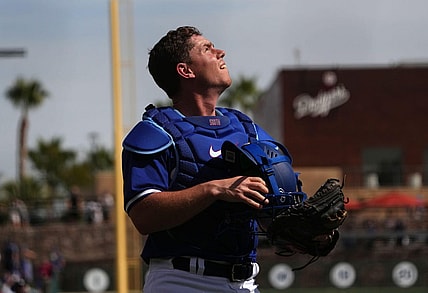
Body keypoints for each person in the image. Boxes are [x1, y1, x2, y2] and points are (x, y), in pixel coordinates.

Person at [122, 26, 300, 292]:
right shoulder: (155, 132)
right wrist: (213, 189)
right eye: (207, 48)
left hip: (245, 282)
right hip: (181, 280)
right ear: (186, 70)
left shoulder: (246, 129)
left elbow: (273, 208)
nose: (220, 52)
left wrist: (302, 230)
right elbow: (143, 216)